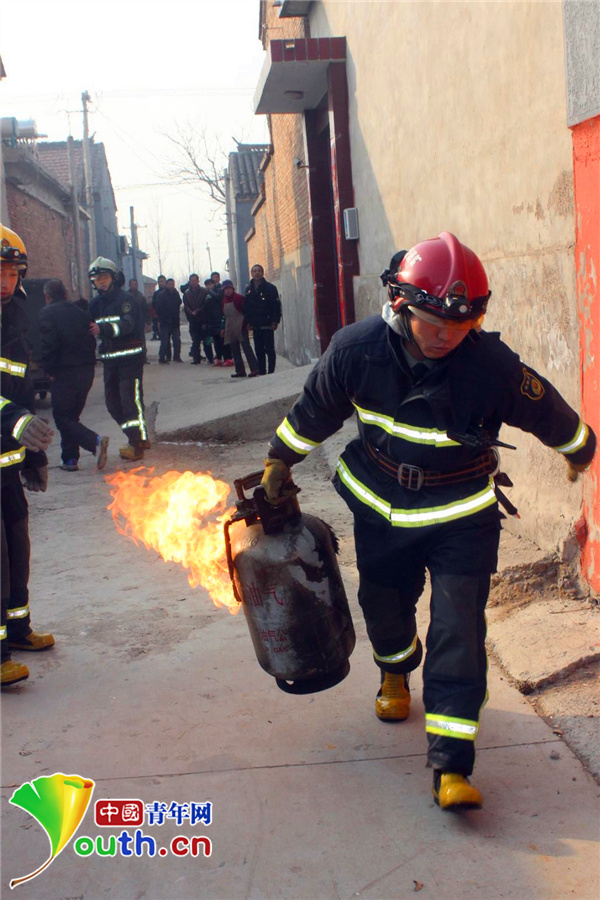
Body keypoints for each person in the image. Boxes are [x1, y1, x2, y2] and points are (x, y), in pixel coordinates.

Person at [260, 232, 596, 811]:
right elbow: (312, 411)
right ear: (400, 304)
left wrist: (578, 447)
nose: (446, 336)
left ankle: (450, 766)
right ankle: (394, 672)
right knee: (385, 611)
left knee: (457, 629)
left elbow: (543, 405)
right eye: (432, 322)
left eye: (461, 325)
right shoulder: (355, 351)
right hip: (381, 507)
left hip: (460, 516)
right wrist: (277, 459)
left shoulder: (490, 364)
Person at [1, 225, 56, 687]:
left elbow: (20, 386)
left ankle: (17, 629)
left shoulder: (16, 314)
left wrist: (32, 453)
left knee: (17, 543)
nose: (6, 280)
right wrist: (17, 422)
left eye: (13, 270)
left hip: (5, 459)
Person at [38, 279, 109, 472]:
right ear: (66, 294)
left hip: (64, 372)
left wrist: (50, 371)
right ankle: (70, 460)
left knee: (62, 417)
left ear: (47, 297)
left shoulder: (47, 314)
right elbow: (90, 341)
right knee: (71, 417)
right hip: (86, 371)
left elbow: (49, 346)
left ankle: (94, 442)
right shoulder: (81, 313)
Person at [88, 257, 149, 462]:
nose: (101, 281)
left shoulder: (126, 300)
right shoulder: (95, 304)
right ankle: (138, 436)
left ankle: (136, 443)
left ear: (113, 278)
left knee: (129, 401)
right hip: (110, 360)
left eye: (104, 277)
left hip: (130, 358)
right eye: (97, 279)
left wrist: (103, 329)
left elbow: (128, 325)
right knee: (112, 403)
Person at [244, 264, 282, 374]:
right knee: (259, 349)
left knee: (269, 349)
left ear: (262, 272)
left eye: (259, 271)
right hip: (256, 325)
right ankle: (262, 371)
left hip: (268, 324)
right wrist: (249, 322)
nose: (256, 273)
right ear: (251, 273)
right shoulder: (249, 289)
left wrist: (275, 321)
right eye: (254, 271)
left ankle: (271, 371)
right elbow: (247, 308)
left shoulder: (270, 288)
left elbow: (276, 306)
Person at [221, 280, 260, 378]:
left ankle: (255, 369)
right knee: (234, 349)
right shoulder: (223, 301)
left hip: (241, 325)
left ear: (232, 289)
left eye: (229, 288)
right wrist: (223, 328)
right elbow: (224, 316)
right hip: (230, 327)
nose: (228, 291)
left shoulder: (239, 298)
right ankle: (240, 370)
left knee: (246, 347)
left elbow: (246, 312)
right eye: (226, 289)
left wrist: (247, 323)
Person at [153, 278, 182, 364]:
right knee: (165, 341)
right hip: (165, 322)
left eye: (172, 284)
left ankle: (177, 357)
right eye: (169, 284)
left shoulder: (176, 294)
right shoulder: (161, 295)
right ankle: (162, 358)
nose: (171, 286)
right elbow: (157, 307)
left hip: (175, 322)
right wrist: (162, 318)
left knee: (177, 340)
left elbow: (179, 303)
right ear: (166, 284)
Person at [183, 274, 209, 365]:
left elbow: (206, 304)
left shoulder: (204, 291)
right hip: (193, 320)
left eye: (195, 280)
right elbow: (185, 306)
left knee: (206, 340)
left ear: (198, 281)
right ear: (189, 282)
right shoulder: (186, 293)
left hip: (203, 319)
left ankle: (210, 357)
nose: (193, 282)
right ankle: (196, 358)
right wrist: (191, 312)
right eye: (191, 280)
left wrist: (198, 311)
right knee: (195, 340)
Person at [127, 279, 151, 364]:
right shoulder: (125, 296)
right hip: (129, 322)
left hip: (139, 322)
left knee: (141, 340)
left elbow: (145, 310)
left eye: (135, 284)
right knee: (130, 340)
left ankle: (143, 357)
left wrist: (148, 322)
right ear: (129, 285)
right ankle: (131, 358)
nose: (134, 286)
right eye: (132, 284)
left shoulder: (141, 297)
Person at [150, 276, 165, 341]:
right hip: (159, 317)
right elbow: (153, 305)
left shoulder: (170, 292)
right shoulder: (156, 294)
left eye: (162, 281)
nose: (160, 283)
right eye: (159, 282)